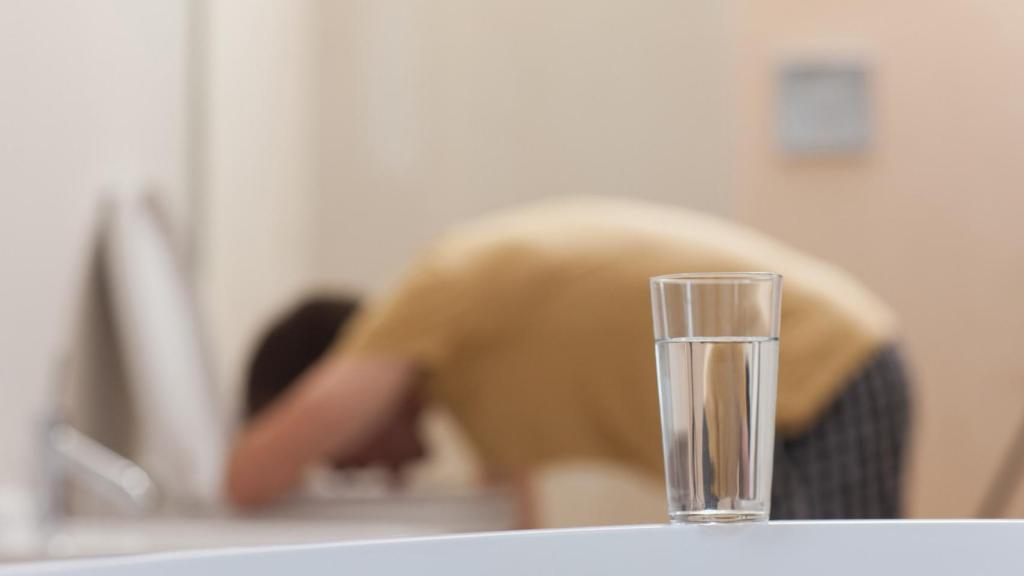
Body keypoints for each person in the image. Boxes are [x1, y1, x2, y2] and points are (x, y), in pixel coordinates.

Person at [226, 197, 911, 520]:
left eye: (347, 458)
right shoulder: (470, 381)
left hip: (816, 366)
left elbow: (250, 476)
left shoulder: (428, 294)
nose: (379, 475)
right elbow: (521, 533)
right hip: (789, 380)